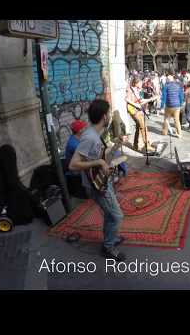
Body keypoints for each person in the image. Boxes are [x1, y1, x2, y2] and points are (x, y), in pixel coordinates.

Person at [68, 99, 126, 261]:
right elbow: (73, 165)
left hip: (102, 180)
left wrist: (115, 145)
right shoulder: (90, 138)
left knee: (110, 214)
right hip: (95, 185)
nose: (109, 116)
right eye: (108, 113)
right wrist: (99, 162)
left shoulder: (94, 134)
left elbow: (101, 154)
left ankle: (111, 239)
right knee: (117, 216)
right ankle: (108, 247)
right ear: (103, 116)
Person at [125, 77, 156, 152]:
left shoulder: (136, 89)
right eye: (140, 83)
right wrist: (136, 105)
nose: (141, 84)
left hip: (138, 110)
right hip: (135, 111)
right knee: (143, 127)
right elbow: (127, 99)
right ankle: (147, 146)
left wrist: (147, 99)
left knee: (139, 127)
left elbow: (138, 99)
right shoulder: (130, 89)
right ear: (136, 83)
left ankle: (135, 145)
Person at [160, 74, 184, 139]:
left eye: (166, 79)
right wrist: (181, 104)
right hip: (177, 106)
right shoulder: (178, 86)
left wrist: (162, 107)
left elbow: (164, 97)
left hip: (169, 105)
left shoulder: (166, 86)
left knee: (166, 119)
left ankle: (164, 132)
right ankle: (179, 134)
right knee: (177, 120)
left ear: (167, 80)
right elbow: (181, 96)